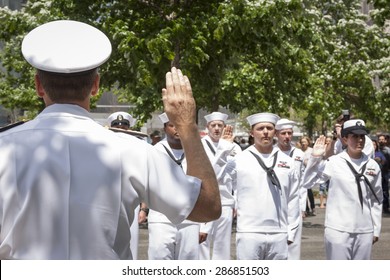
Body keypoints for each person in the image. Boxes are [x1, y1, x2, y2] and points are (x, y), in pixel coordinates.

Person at [0, 20, 221, 259]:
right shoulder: (131, 149)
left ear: (38, 86)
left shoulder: (5, 147)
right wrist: (187, 126)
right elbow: (208, 206)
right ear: (96, 86)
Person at [223, 113, 300, 260]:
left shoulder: (288, 162)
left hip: (279, 232)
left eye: (269, 128)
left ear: (275, 132)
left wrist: (291, 231)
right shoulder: (239, 160)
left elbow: (293, 197)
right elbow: (219, 180)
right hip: (249, 232)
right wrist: (223, 150)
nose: (265, 131)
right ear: (252, 133)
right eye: (260, 128)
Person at [302, 120, 383, 260]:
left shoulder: (373, 166)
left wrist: (376, 228)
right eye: (355, 136)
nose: (359, 140)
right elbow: (308, 182)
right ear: (345, 139)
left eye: (362, 137)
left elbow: (377, 199)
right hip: (338, 229)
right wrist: (315, 158)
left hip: (364, 229)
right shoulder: (334, 162)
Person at [147, 113, 200, 260]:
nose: (177, 129)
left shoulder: (196, 151)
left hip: (190, 220)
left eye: (180, 126)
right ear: (165, 128)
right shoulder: (154, 152)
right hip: (161, 219)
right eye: (172, 125)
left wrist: (205, 224)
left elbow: (204, 188)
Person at [199, 111, 242, 260]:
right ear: (207, 127)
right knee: (201, 243)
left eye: (220, 125)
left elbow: (237, 178)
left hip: (225, 201)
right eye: (213, 125)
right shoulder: (200, 145)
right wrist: (224, 149)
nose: (217, 128)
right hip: (204, 200)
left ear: (224, 127)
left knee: (222, 244)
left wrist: (236, 201)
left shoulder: (235, 148)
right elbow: (208, 174)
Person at [107, 111, 148, 260]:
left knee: (131, 245)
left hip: (132, 201)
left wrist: (143, 208)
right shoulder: (103, 145)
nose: (120, 129)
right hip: (107, 200)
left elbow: (145, 181)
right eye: (117, 127)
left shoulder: (139, 147)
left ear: (129, 128)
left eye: (123, 126)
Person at [274, 118, 305, 260]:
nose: (287, 136)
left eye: (289, 133)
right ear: (276, 134)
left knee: (294, 245)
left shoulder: (299, 154)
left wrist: (302, 206)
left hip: (295, 202)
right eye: (283, 133)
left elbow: (303, 182)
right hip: (276, 202)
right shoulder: (271, 153)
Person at [300, 136, 316, 216]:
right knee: (302, 192)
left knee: (309, 191)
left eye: (305, 142)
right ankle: (305, 209)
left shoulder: (311, 151)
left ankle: (312, 207)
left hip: (309, 173)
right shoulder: (299, 151)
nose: (303, 143)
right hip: (301, 173)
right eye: (302, 142)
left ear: (308, 142)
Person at [378, 134, 390, 213]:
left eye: (383, 139)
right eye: (380, 139)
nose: (381, 141)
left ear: (385, 140)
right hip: (378, 172)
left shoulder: (388, 150)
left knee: (385, 190)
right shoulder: (376, 150)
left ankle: (386, 207)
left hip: (386, 172)